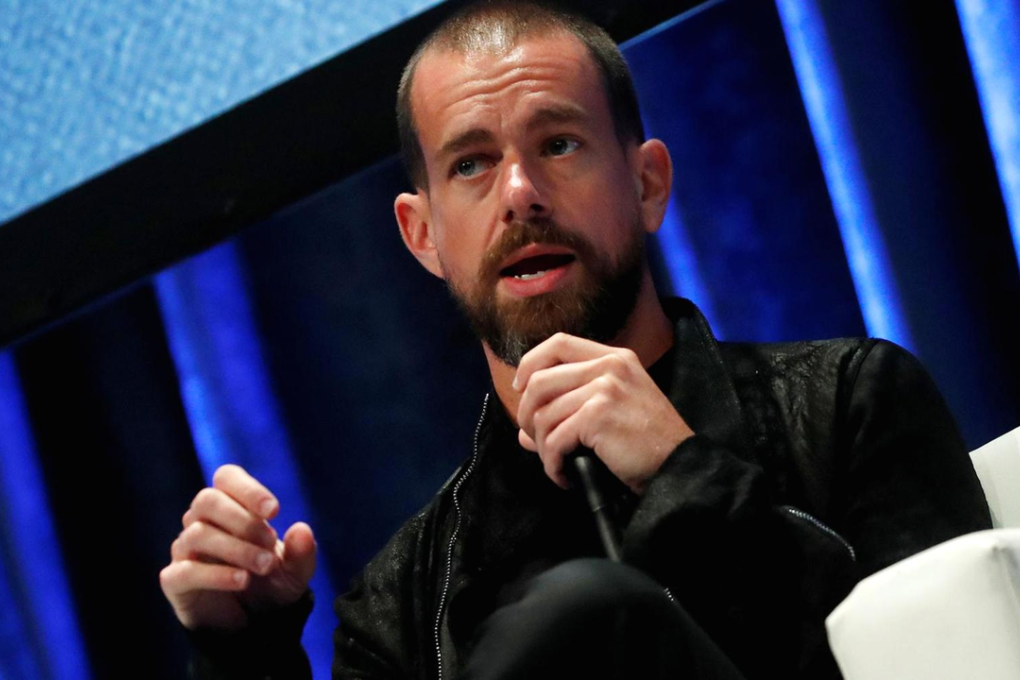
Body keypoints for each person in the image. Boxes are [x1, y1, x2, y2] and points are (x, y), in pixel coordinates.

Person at [160, 2, 992, 678]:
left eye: (558, 145)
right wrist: (246, 653)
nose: (520, 194)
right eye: (472, 165)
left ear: (647, 184)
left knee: (589, 611)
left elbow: (946, 656)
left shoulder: (850, 403)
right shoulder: (405, 599)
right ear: (423, 238)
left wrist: (682, 476)